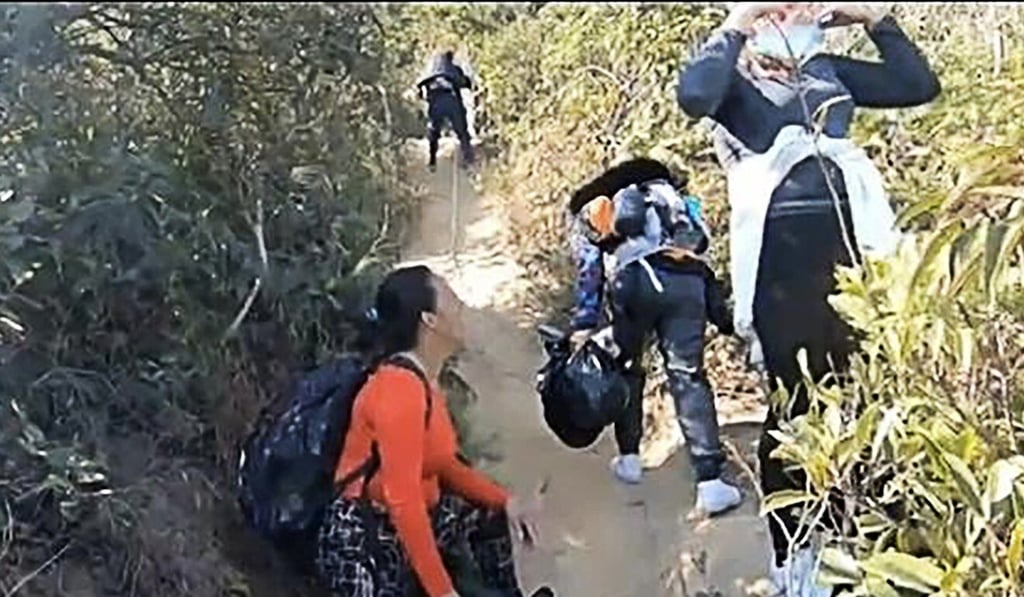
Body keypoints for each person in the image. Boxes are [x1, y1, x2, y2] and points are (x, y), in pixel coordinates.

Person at [677, 2, 940, 593]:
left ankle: (863, 546)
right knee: (794, 409)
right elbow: (693, 96)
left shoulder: (829, 72)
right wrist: (738, 22)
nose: (793, 10)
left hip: (852, 265)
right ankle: (793, 550)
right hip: (779, 270)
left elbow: (917, 85)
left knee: (865, 399)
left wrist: (875, 19)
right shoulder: (733, 82)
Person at [316, 266, 551, 597]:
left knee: (488, 515)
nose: (461, 307)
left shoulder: (423, 379)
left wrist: (507, 502)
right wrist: (442, 592)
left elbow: (444, 465)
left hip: (406, 520)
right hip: (366, 541)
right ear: (430, 320)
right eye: (451, 299)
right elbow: (403, 500)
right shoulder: (399, 389)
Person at [567, 157, 744, 518]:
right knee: (688, 375)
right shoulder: (680, 202)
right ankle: (710, 483)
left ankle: (630, 459)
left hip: (632, 282)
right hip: (687, 284)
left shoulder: (610, 204)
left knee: (629, 367)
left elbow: (590, 265)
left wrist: (585, 320)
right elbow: (701, 245)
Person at [417, 50, 475, 171]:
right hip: (451, 101)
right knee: (462, 131)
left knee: (434, 131)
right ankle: (468, 159)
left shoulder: (430, 71)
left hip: (436, 103)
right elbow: (465, 83)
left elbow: (420, 88)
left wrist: (423, 97)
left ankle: (432, 160)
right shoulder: (453, 69)